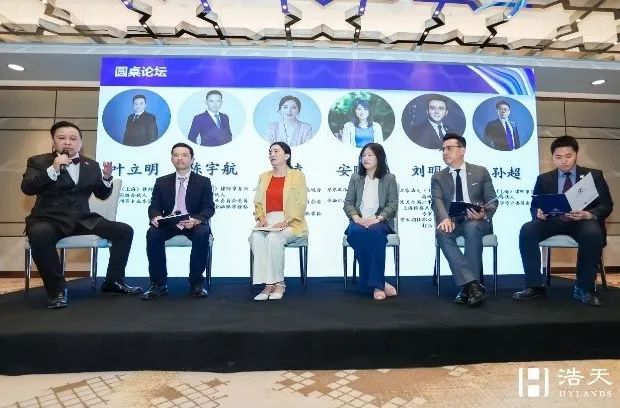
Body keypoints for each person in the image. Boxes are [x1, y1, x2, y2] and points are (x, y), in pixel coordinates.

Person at [21, 121, 141, 309]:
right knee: (39, 234)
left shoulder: (90, 165)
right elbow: (28, 188)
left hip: (82, 219)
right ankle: (57, 291)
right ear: (53, 140)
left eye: (73, 138)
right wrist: (53, 169)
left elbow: (102, 194)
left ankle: (113, 282)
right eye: (62, 138)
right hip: (49, 218)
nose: (67, 142)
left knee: (124, 231)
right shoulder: (39, 162)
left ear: (80, 142)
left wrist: (106, 179)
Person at [513, 136, 613, 306]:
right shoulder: (544, 179)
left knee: (592, 233)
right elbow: (535, 205)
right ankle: (534, 286)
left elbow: (606, 205)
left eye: (568, 156)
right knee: (527, 230)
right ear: (553, 158)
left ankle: (584, 289)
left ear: (576, 155)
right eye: (558, 157)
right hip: (553, 220)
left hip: (582, 221)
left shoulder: (593, 176)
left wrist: (589, 214)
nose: (564, 161)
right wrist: (537, 213)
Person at [431, 133, 498, 307]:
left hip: (477, 221)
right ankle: (473, 286)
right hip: (453, 221)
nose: (445, 152)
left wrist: (483, 213)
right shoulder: (438, 177)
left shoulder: (480, 171)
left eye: (449, 148)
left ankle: (467, 287)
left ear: (462, 150)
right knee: (442, 232)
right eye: (443, 149)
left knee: (472, 227)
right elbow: (436, 201)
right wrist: (445, 218)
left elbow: (492, 200)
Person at [142, 143, 215, 300]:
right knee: (153, 234)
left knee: (202, 232)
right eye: (176, 155)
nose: (180, 158)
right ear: (171, 159)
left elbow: (209, 208)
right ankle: (158, 284)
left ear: (192, 159)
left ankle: (196, 283)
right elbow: (154, 206)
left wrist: (197, 220)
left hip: (192, 223)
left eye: (184, 155)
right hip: (169, 223)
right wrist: (155, 216)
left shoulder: (203, 182)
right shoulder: (161, 182)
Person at [249, 142, 308, 301]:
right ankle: (268, 284)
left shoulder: (297, 176)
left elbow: (301, 203)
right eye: (270, 152)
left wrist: (287, 221)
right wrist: (261, 218)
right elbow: (258, 202)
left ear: (286, 156)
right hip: (268, 220)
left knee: (274, 238)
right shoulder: (264, 176)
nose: (272, 155)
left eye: (276, 151)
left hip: (292, 222)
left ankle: (279, 283)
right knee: (255, 237)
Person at [343, 142, 398, 300]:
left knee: (375, 234)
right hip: (358, 221)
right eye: (363, 155)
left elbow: (392, 204)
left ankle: (375, 284)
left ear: (379, 158)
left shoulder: (389, 178)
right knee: (355, 234)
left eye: (369, 155)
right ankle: (379, 283)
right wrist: (357, 218)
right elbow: (348, 203)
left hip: (379, 222)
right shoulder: (356, 178)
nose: (365, 158)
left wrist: (378, 218)